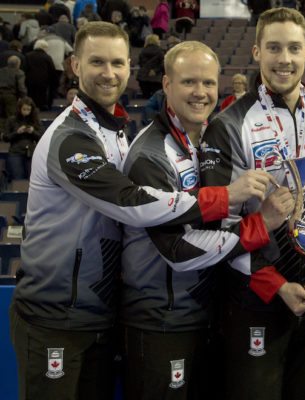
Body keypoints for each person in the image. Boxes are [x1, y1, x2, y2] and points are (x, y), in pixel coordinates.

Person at [9, 21, 265, 400]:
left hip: (100, 313)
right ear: (75, 65)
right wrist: (224, 197)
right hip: (54, 316)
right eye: (97, 62)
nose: (109, 73)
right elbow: (131, 204)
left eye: (117, 62)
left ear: (130, 67)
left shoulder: (113, 130)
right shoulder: (71, 137)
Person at [198, 8, 305, 400]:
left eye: (294, 48)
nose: (284, 59)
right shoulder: (228, 124)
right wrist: (276, 285)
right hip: (255, 296)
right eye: (274, 48)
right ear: (256, 52)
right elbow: (218, 233)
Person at [118, 40, 285, 400]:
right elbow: (177, 251)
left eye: (208, 83)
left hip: (206, 315)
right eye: (189, 82)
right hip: (161, 322)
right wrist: (261, 225)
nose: (201, 92)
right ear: (166, 86)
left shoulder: (210, 142)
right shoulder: (151, 156)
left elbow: (216, 225)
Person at [4, 97, 42, 180]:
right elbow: (5, 137)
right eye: (24, 109)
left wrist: (33, 132)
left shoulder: (35, 120)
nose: (26, 112)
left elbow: (41, 137)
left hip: (31, 153)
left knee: (31, 180)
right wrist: (17, 132)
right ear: (19, 109)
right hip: (15, 153)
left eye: (28, 110)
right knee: (18, 179)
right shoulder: (12, 120)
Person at [137, 34, 165, 99]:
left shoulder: (142, 51)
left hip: (143, 77)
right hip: (156, 79)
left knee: (145, 99)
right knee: (157, 99)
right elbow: (163, 64)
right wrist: (155, 71)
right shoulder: (160, 51)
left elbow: (140, 64)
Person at [0, 56, 26, 126]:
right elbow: (21, 87)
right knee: (11, 117)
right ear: (18, 64)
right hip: (11, 97)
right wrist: (24, 98)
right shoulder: (19, 72)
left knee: (1, 116)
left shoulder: (1, 71)